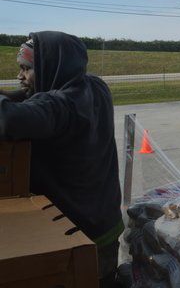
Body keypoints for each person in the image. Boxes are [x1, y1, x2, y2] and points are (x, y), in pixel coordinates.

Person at [0, 32, 123, 287]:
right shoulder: (95, 87)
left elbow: (10, 119)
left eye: (26, 69)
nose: (20, 76)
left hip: (77, 233)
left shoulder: (61, 107)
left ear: (49, 67)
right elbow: (32, 97)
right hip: (107, 224)